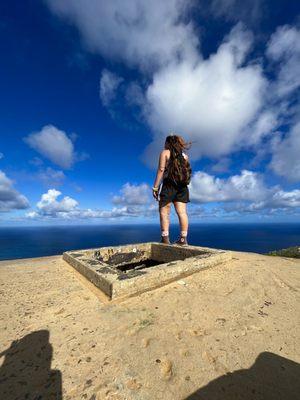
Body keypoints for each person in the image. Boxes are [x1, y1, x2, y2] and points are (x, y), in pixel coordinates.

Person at [152, 134, 192, 245]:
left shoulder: (165, 153)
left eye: (165, 142)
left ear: (168, 143)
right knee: (182, 213)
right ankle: (183, 240)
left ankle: (165, 239)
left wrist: (155, 187)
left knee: (164, 212)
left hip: (169, 185)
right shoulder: (185, 156)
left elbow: (161, 170)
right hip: (183, 187)